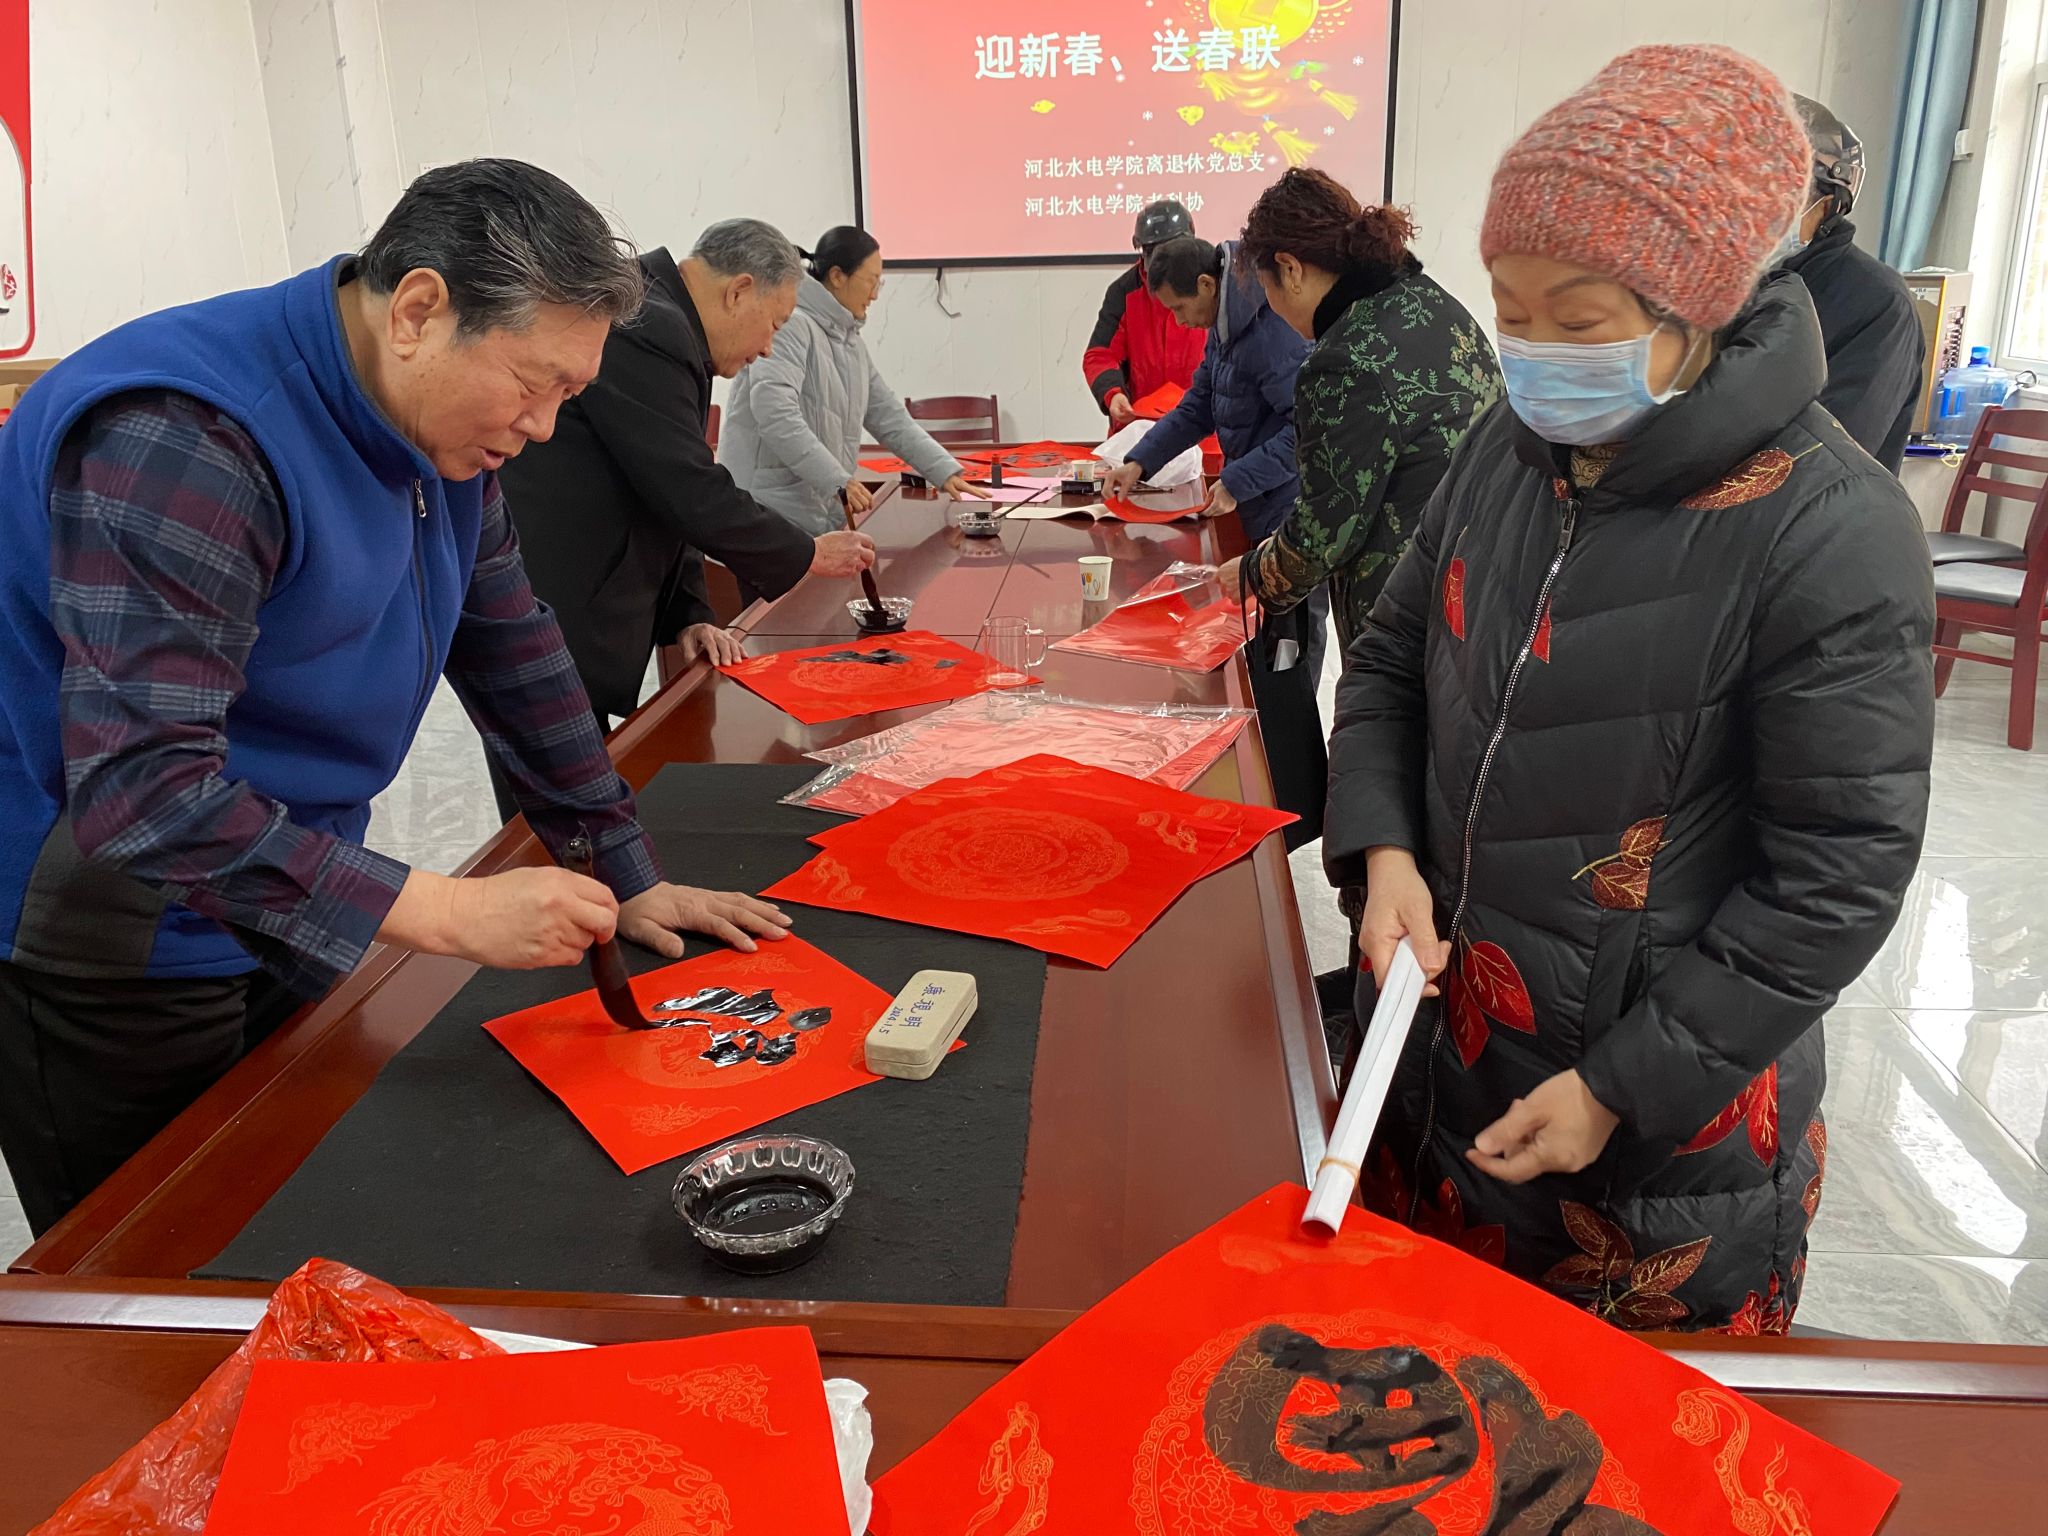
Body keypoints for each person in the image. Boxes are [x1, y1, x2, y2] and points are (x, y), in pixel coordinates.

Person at [0, 161, 794, 1236]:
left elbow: (516, 653)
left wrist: (621, 868)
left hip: (294, 884)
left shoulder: (434, 430)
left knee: (298, 1213)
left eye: (569, 395)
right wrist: (447, 911)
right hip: (114, 930)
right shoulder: (187, 435)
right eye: (534, 384)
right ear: (419, 309)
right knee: (159, 1257)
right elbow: (145, 792)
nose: (545, 426)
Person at [1328, 47, 1934, 1333]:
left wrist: (1621, 1085)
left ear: (1697, 307)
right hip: (1447, 1047)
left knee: (1602, 1426)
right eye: (1509, 310)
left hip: (1656, 1138)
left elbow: (1835, 875)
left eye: (1577, 319)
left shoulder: (1828, 527)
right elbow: (1387, 659)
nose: (1531, 353)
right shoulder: (1506, 451)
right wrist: (1381, 853)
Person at [494, 219, 877, 811]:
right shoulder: (648, 321)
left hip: (571, 607)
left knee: (588, 803)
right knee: (557, 819)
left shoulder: (662, 314)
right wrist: (807, 552)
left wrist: (689, 615)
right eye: (774, 324)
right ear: (739, 291)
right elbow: (687, 488)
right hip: (548, 609)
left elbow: (661, 486)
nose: (768, 347)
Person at [1215, 171, 1501, 659]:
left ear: (1290, 269)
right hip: (1483, 587)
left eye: (1266, 289)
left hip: (1406, 620)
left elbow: (1324, 534)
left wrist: (1252, 574)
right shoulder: (1432, 301)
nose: (1274, 309)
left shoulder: (1342, 363)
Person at [1101, 233, 1325, 845]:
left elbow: (1306, 430)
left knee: (1288, 657)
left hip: (1288, 516)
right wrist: (1140, 461)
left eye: (1180, 308)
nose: (1179, 322)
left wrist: (1238, 480)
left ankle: (1292, 806)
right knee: (1254, 653)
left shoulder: (1268, 327)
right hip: (1255, 508)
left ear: (1206, 284)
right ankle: (1258, 786)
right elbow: (1198, 405)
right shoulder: (1229, 322)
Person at [719, 225, 983, 537]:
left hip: (811, 511)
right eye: (871, 281)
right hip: (766, 511)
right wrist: (836, 481)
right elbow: (775, 414)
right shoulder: (791, 325)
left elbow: (889, 417)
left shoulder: (850, 343)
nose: (875, 294)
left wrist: (944, 471)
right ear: (837, 276)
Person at [1772, 94, 1925, 472]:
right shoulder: (1731, 288)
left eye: (1777, 196)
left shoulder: (1879, 304)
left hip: (1811, 507)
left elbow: (1828, 460)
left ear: (1826, 206)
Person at [1083, 200, 1209, 430]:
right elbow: (1099, 355)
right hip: (1140, 425)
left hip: (1204, 426)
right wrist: (1113, 394)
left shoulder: (1211, 283)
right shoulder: (1124, 292)